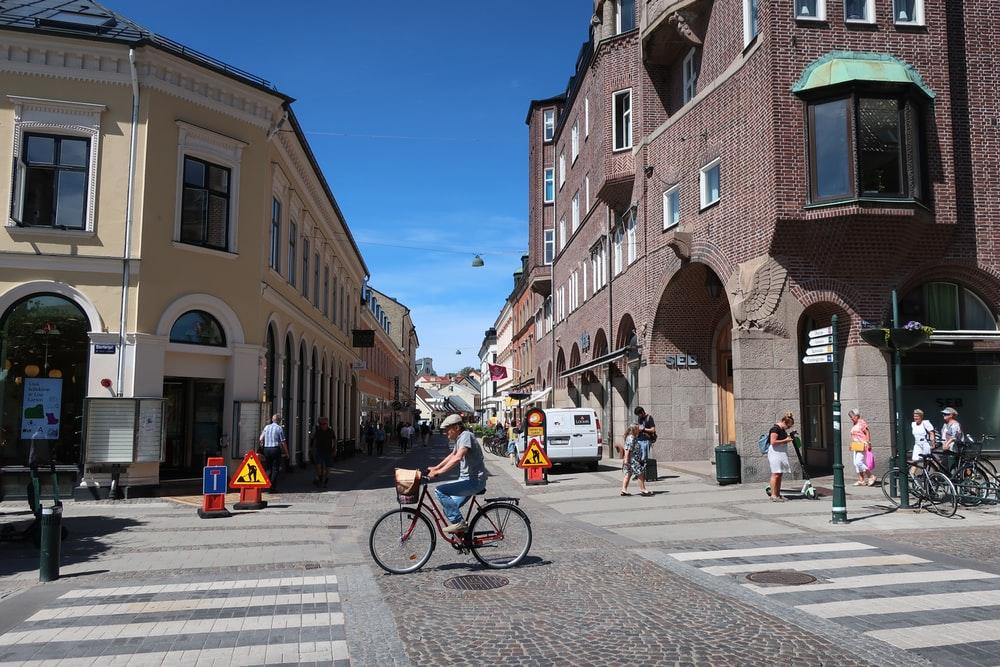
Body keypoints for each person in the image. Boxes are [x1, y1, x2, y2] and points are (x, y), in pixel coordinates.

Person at [427, 414, 486, 533]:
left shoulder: (466, 436)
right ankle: (464, 536)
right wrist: (436, 467)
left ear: (457, 427)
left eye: (447, 429)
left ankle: (460, 524)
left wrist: (438, 472)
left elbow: (458, 458)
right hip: (466, 480)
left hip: (473, 481)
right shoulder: (460, 438)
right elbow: (452, 455)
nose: (445, 433)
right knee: (448, 507)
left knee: (440, 491)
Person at [768, 412, 795, 502]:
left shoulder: (782, 429)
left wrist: (789, 436)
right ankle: (773, 495)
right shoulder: (775, 429)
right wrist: (785, 440)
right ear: (784, 422)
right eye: (788, 426)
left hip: (781, 453)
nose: (788, 428)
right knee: (775, 474)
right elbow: (773, 442)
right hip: (775, 453)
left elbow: (781, 439)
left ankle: (778, 494)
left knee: (779, 474)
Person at [258, 414, 288, 490]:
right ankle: (272, 487)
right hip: (275, 449)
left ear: (272, 419)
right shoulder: (279, 428)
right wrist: (286, 452)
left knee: (268, 468)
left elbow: (260, 438)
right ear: (279, 421)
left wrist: (262, 446)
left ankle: (265, 485)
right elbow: (283, 441)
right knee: (275, 468)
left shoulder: (266, 427)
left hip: (266, 449)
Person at [620, 424, 651, 496]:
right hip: (632, 460)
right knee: (640, 473)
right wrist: (626, 460)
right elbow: (628, 449)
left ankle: (624, 490)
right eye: (637, 428)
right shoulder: (631, 438)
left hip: (630, 459)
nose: (639, 430)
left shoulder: (631, 437)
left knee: (628, 474)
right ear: (635, 430)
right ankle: (643, 489)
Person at [848, 409, 874, 487]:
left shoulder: (861, 422)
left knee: (858, 462)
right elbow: (855, 436)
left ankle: (871, 476)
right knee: (855, 463)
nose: (851, 418)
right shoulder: (855, 424)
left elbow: (867, 432)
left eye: (852, 416)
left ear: (857, 416)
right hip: (856, 446)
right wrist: (851, 445)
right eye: (850, 417)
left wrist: (868, 442)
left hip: (862, 445)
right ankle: (861, 480)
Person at [311, 417, 335, 487]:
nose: (322, 425)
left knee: (328, 467)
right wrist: (312, 450)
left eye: (324, 424)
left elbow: (334, 440)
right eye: (321, 424)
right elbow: (314, 441)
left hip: (328, 451)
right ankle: (320, 479)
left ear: (327, 424)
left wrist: (334, 449)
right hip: (319, 450)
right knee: (318, 465)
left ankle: (325, 480)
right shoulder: (318, 431)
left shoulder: (331, 431)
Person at [910, 409, 935, 475]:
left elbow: (931, 433)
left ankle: (938, 473)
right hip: (917, 444)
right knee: (915, 460)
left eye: (917, 416)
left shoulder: (925, 423)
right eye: (914, 416)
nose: (915, 418)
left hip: (925, 443)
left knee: (929, 460)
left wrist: (933, 443)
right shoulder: (913, 424)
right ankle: (912, 475)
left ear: (921, 416)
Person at [634, 407, 656, 473]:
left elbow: (653, 429)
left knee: (643, 458)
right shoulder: (639, 418)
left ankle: (643, 473)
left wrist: (643, 429)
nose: (638, 416)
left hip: (646, 440)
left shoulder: (649, 418)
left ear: (642, 412)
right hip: (639, 439)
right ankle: (639, 473)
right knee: (638, 457)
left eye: (639, 414)